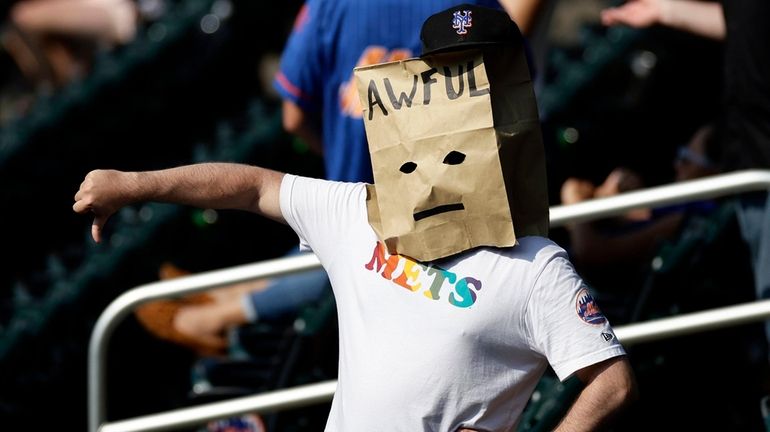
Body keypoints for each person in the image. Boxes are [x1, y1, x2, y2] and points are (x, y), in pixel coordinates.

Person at [74, 5, 636, 430]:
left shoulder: (535, 267)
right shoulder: (362, 211)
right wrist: (134, 184)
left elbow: (611, 381)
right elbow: (251, 186)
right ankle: (221, 310)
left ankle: (220, 311)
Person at [151, 0, 552, 357]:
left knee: (348, 241)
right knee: (354, 249)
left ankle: (224, 305)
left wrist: (349, 152)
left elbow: (292, 117)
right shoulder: (472, 6)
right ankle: (225, 304)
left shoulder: (329, 4)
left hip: (358, 193)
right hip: (444, 196)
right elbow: (513, 98)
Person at [601, 0, 770, 353]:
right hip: (752, 173)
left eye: (686, 157)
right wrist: (667, 10)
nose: (678, 164)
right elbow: (747, 26)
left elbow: (594, 252)